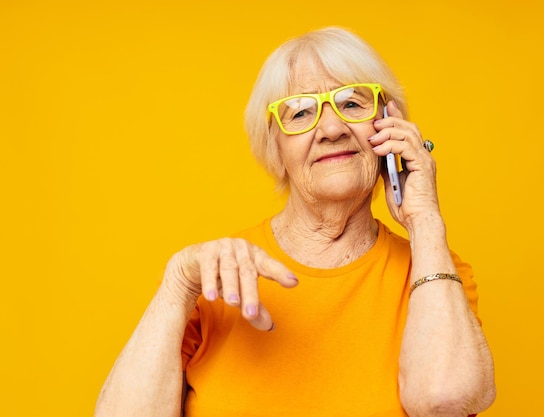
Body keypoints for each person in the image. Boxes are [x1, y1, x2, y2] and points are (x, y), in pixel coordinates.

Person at [95, 27, 496, 417]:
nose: (333, 129)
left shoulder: (435, 269)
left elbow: (444, 401)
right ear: (275, 146)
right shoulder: (214, 280)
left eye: (353, 104)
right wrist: (179, 281)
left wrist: (425, 219)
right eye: (301, 112)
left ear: (390, 127)